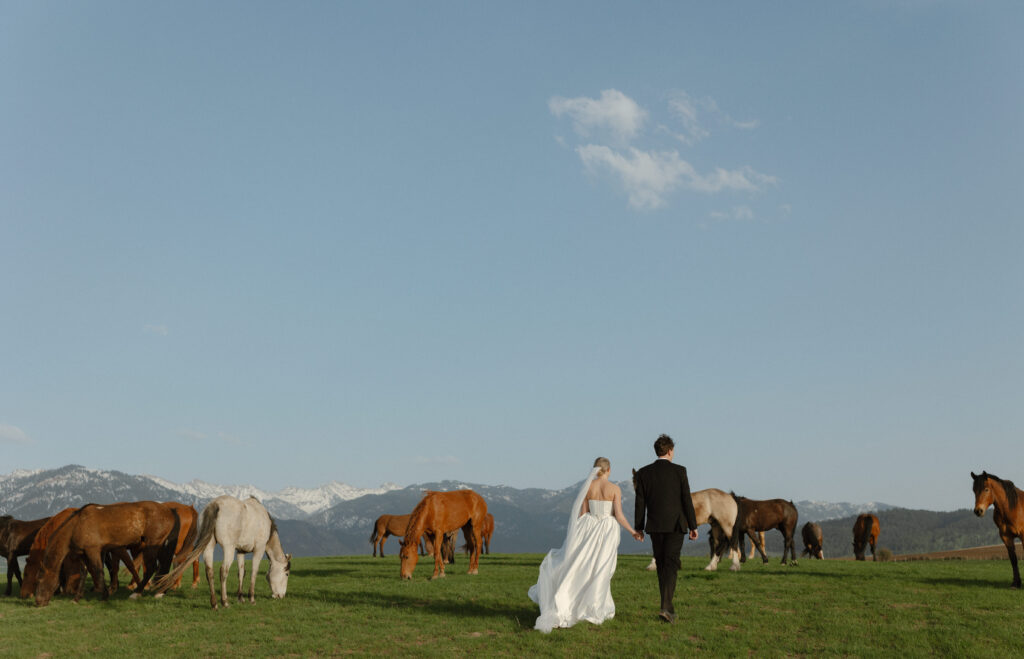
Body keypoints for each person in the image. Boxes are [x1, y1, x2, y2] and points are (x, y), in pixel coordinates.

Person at [527, 456, 643, 633]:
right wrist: (633, 531)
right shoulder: (614, 489)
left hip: (587, 527)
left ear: (595, 470)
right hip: (606, 530)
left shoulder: (588, 487)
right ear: (609, 470)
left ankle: (575, 604)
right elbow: (618, 515)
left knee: (582, 566)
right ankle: (593, 606)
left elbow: (582, 513)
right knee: (601, 568)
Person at [633, 434, 699, 624]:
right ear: (670, 451)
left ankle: (667, 607)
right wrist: (693, 525)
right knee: (670, 565)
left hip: (654, 526)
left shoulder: (644, 473)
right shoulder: (680, 471)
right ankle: (666, 607)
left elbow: (640, 503)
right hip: (675, 525)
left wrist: (639, 527)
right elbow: (686, 500)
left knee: (662, 565)